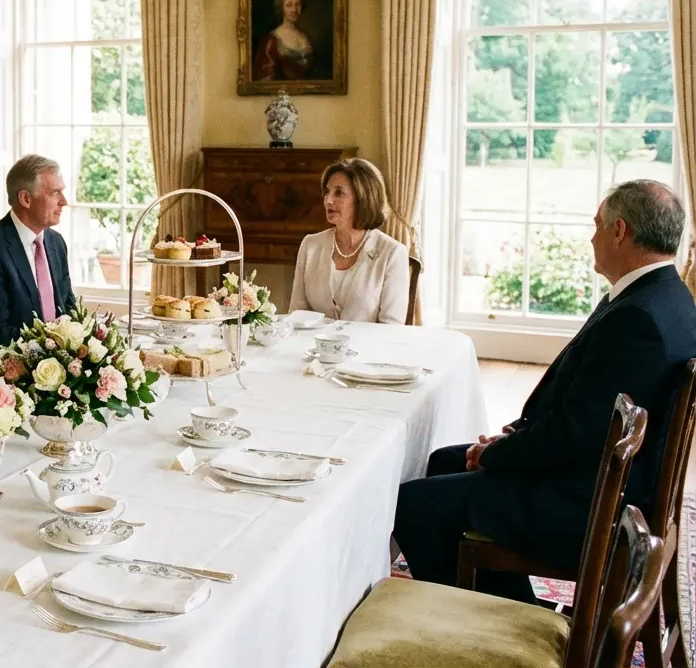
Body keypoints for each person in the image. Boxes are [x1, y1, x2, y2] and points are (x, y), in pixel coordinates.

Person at [392, 180, 696, 604]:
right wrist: (511, 439)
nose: (591, 237)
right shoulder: (668, 296)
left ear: (619, 231)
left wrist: (497, 455)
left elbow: (576, 435)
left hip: (593, 506)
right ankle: (510, 604)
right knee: (443, 460)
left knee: (412, 504)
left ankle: (474, 619)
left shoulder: (637, 319)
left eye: (597, 225)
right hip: (603, 478)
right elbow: (581, 411)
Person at [0, 155, 77, 364]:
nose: (64, 201)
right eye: (55, 193)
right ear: (25, 199)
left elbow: (68, 306)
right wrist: (52, 346)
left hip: (61, 365)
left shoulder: (56, 242)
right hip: (10, 370)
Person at [289, 158, 409, 324]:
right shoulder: (310, 245)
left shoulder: (392, 253)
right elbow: (297, 315)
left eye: (339, 193)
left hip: (371, 342)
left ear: (363, 198)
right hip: (313, 342)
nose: (328, 200)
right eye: (327, 192)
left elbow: (391, 327)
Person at [253, 0, 314, 81]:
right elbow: (265, 78)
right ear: (281, 8)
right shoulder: (272, 40)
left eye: (297, 4)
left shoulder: (306, 37)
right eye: (289, 5)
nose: (294, 10)